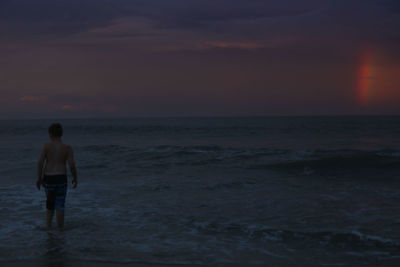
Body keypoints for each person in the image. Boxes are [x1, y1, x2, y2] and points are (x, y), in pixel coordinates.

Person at [36, 123, 78, 230]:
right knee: (60, 204)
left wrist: (38, 178)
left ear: (50, 134)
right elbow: (72, 164)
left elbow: (40, 162)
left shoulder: (46, 146)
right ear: (61, 134)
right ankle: (60, 231)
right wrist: (75, 177)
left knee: (50, 204)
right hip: (61, 178)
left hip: (48, 178)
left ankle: (48, 229)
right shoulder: (67, 148)